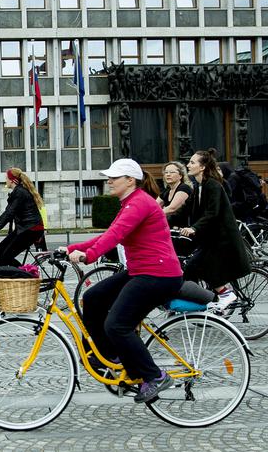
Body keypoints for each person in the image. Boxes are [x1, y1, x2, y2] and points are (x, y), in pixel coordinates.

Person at [66, 158, 183, 404]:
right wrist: (70, 248)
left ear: (130, 180)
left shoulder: (139, 202)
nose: (109, 181)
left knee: (117, 324)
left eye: (114, 177)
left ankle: (155, 376)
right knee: (92, 297)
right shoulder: (129, 203)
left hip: (159, 275)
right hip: (140, 271)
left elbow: (115, 236)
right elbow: (109, 234)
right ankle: (111, 356)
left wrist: (88, 256)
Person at [179, 149, 252, 312]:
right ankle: (199, 303)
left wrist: (193, 228)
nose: (188, 165)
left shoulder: (212, 185)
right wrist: (160, 220)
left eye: (192, 162)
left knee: (199, 265)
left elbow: (213, 213)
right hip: (209, 238)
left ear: (203, 167)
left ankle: (224, 295)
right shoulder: (199, 186)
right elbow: (184, 211)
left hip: (221, 238)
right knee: (191, 268)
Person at [0, 168, 45, 267]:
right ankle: (6, 276)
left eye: (7, 178)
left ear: (12, 180)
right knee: (0, 250)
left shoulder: (20, 192)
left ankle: (25, 275)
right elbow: (7, 212)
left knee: (6, 256)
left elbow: (10, 213)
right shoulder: (18, 191)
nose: (5, 180)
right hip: (24, 228)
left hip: (31, 229)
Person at [158, 161, 193, 228]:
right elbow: (154, 206)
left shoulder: (184, 188)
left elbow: (172, 208)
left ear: (180, 176)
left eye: (172, 172)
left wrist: (151, 215)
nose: (168, 174)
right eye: (166, 172)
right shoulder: (166, 191)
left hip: (183, 230)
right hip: (169, 228)